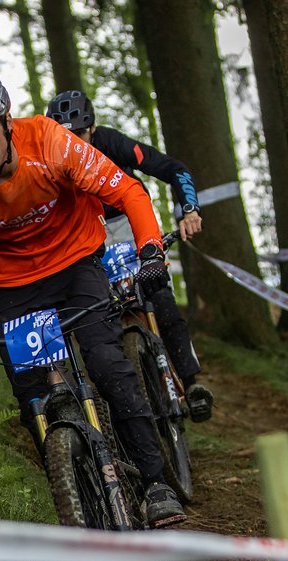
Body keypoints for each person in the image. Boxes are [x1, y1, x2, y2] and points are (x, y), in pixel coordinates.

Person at [0, 71, 185, 528]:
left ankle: (155, 484)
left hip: (77, 262)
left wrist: (150, 251)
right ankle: (73, 492)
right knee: (31, 393)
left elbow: (127, 190)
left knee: (107, 362)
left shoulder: (50, 142)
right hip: (13, 286)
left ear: (7, 122)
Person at [46, 90, 213, 423]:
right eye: (64, 136)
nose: (73, 144)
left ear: (92, 130)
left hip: (128, 223)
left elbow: (172, 168)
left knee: (159, 295)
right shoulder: (51, 158)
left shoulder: (112, 143)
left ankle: (193, 383)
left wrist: (189, 209)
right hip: (86, 236)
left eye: (78, 134)